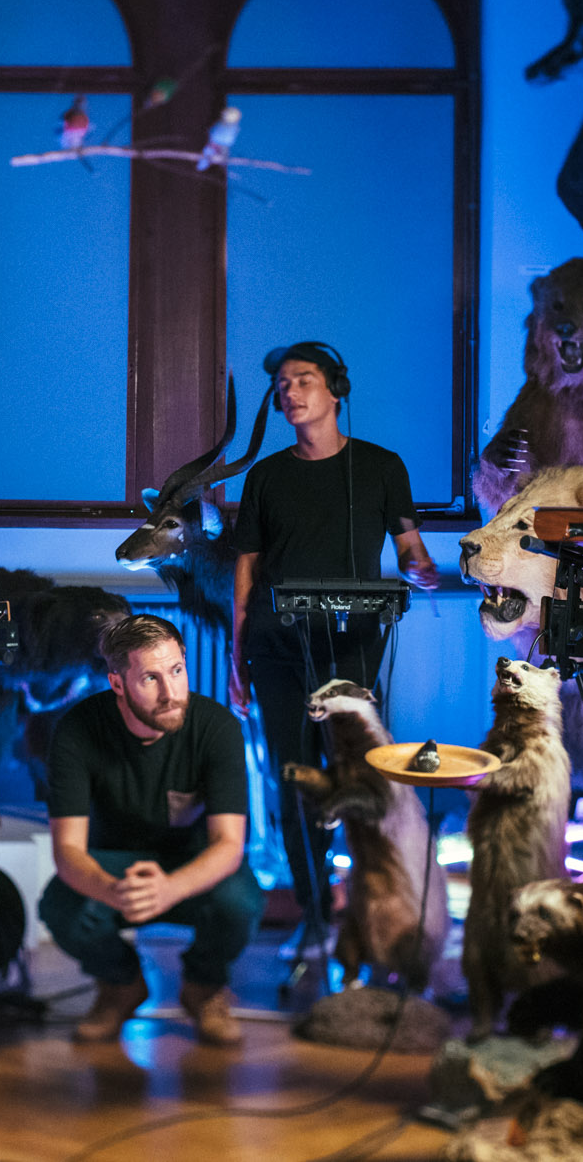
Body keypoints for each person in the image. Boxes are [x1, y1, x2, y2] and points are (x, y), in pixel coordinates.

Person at [227, 343, 440, 928]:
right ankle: (316, 908)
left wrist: (420, 571)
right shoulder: (267, 476)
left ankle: (376, 898)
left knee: (356, 775)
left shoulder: (381, 466)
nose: (288, 392)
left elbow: (409, 546)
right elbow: (247, 566)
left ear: (336, 389)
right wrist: (235, 650)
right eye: (282, 385)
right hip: (276, 645)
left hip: (352, 644)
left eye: (303, 380)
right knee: (293, 775)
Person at [41, 615, 264, 1046]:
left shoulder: (216, 728)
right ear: (118, 684)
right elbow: (67, 851)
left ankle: (203, 989)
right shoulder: (76, 730)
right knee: (60, 906)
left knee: (241, 901)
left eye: (177, 671)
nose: (171, 693)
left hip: (192, 865)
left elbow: (229, 845)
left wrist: (171, 888)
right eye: (150, 678)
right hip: (116, 866)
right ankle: (121, 985)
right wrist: (111, 890)